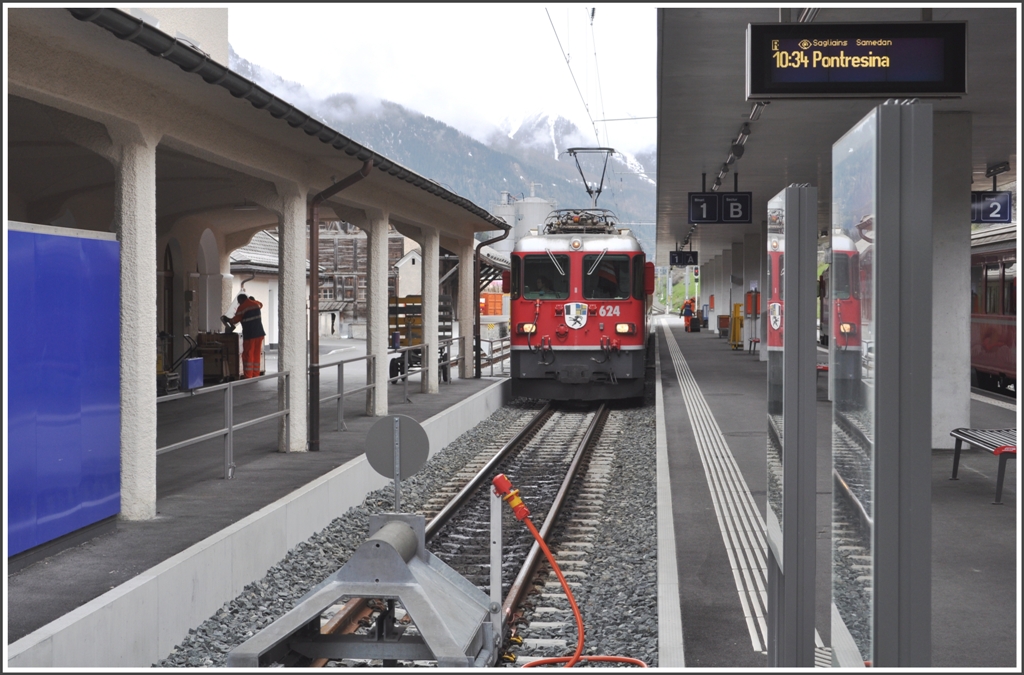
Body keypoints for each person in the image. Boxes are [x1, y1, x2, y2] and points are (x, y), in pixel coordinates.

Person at [229, 292, 266, 379]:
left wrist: (228, 320)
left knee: (248, 355)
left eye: (239, 302)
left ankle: (248, 375)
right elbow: (261, 304)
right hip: (259, 334)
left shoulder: (242, 307)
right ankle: (255, 374)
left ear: (241, 300)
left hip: (250, 334)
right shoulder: (256, 304)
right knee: (256, 354)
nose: (239, 303)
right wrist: (251, 300)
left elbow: (235, 320)